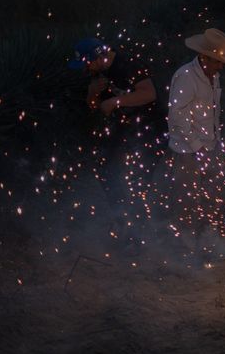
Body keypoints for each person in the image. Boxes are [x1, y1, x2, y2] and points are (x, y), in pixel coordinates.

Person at [68, 37, 165, 254]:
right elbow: (94, 106)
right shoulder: (98, 73)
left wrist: (116, 101)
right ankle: (122, 220)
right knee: (105, 169)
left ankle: (138, 236)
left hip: (151, 129)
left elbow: (149, 94)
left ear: (99, 57)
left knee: (138, 181)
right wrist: (93, 92)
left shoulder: (127, 64)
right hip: (124, 129)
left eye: (87, 64)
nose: (86, 68)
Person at [166, 28, 225, 250]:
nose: (221, 66)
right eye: (217, 62)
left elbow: (211, 113)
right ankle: (183, 247)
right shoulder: (186, 76)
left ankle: (205, 242)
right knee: (186, 200)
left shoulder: (213, 76)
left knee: (211, 197)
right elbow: (177, 114)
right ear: (204, 57)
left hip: (209, 146)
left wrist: (214, 143)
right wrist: (197, 147)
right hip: (187, 151)